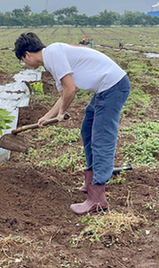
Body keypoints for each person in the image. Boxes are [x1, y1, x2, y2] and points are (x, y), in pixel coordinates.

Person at [14, 32, 130, 214]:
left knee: (101, 137)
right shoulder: (52, 56)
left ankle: (97, 197)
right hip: (104, 90)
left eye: (23, 60)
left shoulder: (52, 54)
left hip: (113, 87)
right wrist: (47, 116)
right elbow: (63, 96)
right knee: (87, 130)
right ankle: (90, 180)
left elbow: (70, 89)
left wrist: (61, 113)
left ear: (28, 54)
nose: (25, 64)